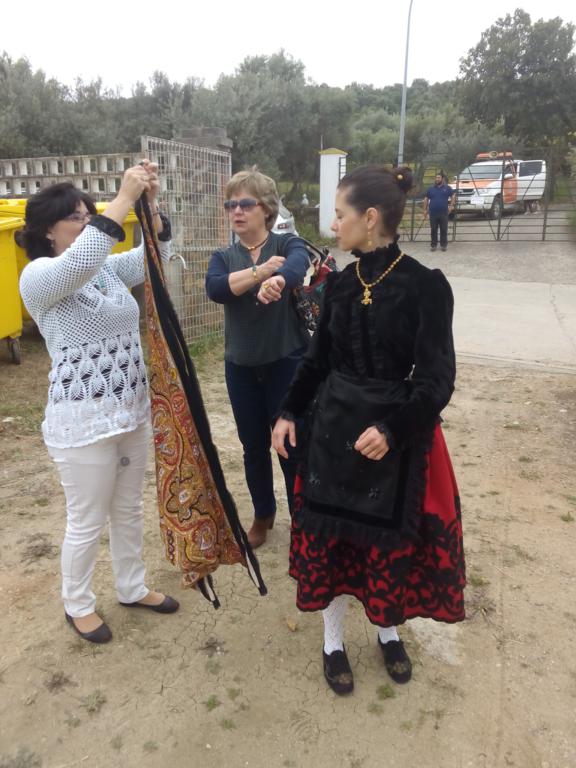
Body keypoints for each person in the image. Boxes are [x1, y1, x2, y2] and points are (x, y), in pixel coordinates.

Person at [272, 165, 465, 695]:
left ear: (371, 217)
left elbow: (437, 378)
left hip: (393, 438)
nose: (333, 226)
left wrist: (394, 429)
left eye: (340, 215)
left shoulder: (425, 286)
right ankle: (332, 642)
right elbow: (316, 361)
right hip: (333, 430)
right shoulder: (338, 286)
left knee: (387, 549)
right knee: (333, 542)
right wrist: (288, 412)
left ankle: (387, 630)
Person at [18, 162, 179, 645]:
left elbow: (152, 258)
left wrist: (150, 205)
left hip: (129, 409)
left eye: (89, 214)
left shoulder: (104, 268)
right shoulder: (39, 276)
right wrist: (122, 199)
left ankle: (132, 586)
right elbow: (80, 263)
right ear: (48, 230)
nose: (87, 222)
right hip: (83, 420)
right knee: (87, 520)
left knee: (128, 508)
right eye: (75, 216)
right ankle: (78, 604)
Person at [205, 169, 311, 549]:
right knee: (253, 447)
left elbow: (297, 266)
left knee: (291, 446)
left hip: (286, 362)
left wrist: (278, 279)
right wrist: (259, 273)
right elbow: (217, 288)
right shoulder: (223, 256)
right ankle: (263, 515)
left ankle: (302, 519)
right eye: (230, 204)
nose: (236, 211)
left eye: (245, 203)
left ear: (266, 208)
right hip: (241, 367)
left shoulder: (287, 243)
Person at [424, 172, 454, 252]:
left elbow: (453, 196)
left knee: (443, 229)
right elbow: (426, 199)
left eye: (439, 178)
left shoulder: (447, 188)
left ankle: (443, 245)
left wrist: (451, 206)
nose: (437, 179)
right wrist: (425, 210)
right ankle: (433, 245)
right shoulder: (431, 189)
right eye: (436, 178)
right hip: (433, 213)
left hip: (444, 213)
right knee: (433, 229)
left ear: (442, 179)